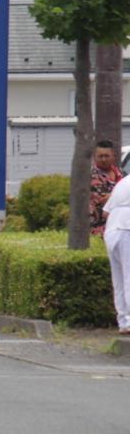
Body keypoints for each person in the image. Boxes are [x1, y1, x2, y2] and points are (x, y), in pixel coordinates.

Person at [103, 173, 130, 334]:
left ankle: (123, 321)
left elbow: (105, 211)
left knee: (119, 278)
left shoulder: (122, 182)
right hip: (127, 228)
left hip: (112, 229)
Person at [90, 140, 124, 236]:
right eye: (100, 156)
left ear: (113, 156)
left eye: (106, 156)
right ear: (94, 157)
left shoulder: (121, 173)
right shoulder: (92, 176)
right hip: (98, 228)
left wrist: (113, 195)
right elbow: (104, 200)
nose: (103, 159)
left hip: (120, 226)